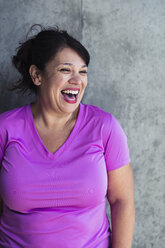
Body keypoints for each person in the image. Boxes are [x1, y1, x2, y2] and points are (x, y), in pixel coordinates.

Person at [0, 24, 135, 248]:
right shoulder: (5, 128)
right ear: (37, 75)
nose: (77, 80)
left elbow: (122, 201)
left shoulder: (104, 127)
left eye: (83, 72)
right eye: (65, 70)